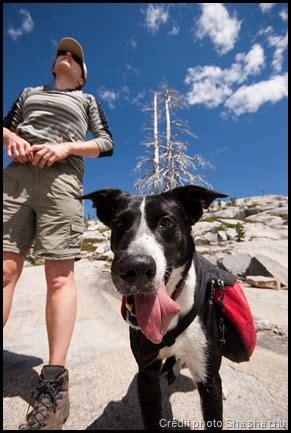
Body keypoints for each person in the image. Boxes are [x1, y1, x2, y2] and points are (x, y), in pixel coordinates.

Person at [3, 37, 114, 430]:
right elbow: (4, 126)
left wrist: (67, 147)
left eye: (77, 56)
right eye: (62, 52)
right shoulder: (29, 93)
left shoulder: (87, 101)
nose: (67, 55)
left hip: (62, 183)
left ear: (83, 75)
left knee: (59, 277)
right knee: (4, 271)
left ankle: (54, 382)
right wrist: (10, 138)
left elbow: (105, 143)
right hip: (15, 180)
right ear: (53, 65)